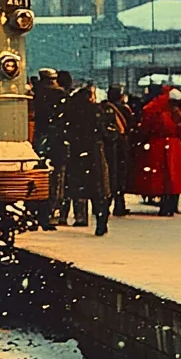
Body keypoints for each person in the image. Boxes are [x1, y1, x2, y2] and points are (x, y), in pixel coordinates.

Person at [130, 87, 181, 216]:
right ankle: (170, 205)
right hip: (175, 147)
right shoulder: (176, 114)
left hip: (156, 146)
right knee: (173, 177)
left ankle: (164, 204)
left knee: (161, 177)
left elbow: (145, 129)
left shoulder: (153, 110)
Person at [61, 85, 112, 235]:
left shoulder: (71, 110)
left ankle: (75, 216)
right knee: (99, 189)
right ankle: (101, 221)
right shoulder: (96, 110)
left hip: (76, 152)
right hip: (94, 152)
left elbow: (65, 131)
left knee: (77, 187)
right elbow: (105, 131)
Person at [31, 68, 67, 230]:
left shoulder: (35, 94)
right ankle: (51, 213)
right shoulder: (60, 95)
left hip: (38, 139)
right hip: (57, 142)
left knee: (36, 176)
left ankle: (35, 212)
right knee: (56, 179)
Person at [99, 84, 134, 217]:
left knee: (109, 175)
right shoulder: (124, 109)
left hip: (107, 144)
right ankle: (119, 204)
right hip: (121, 144)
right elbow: (131, 124)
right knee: (120, 175)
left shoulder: (103, 108)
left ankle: (106, 205)